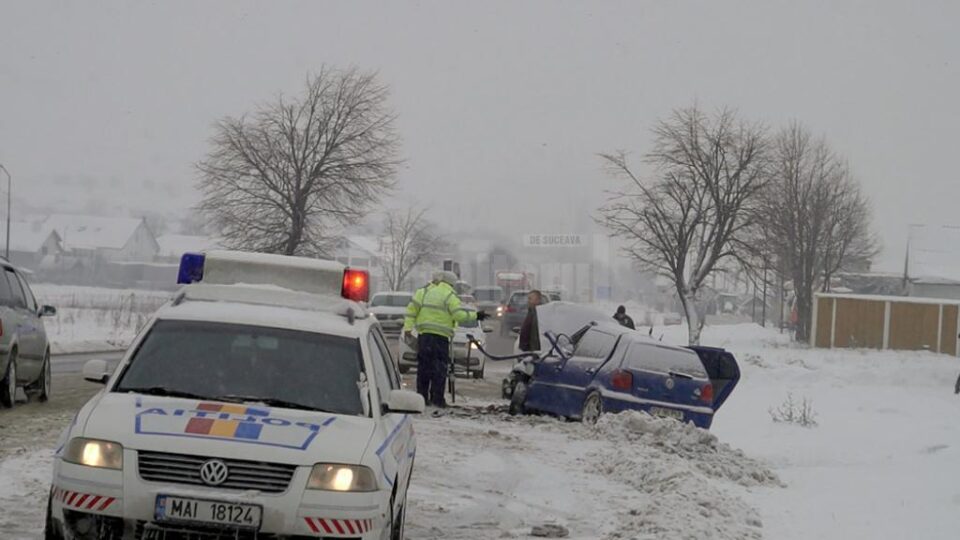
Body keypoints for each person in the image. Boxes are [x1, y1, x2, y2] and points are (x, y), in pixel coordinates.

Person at [404, 271, 486, 407]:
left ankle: (422, 398)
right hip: (440, 338)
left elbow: (411, 310)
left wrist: (408, 328)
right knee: (439, 369)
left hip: (425, 336)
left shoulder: (424, 292)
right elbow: (459, 315)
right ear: (452, 283)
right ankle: (437, 399)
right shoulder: (450, 295)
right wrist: (476, 316)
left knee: (424, 369)